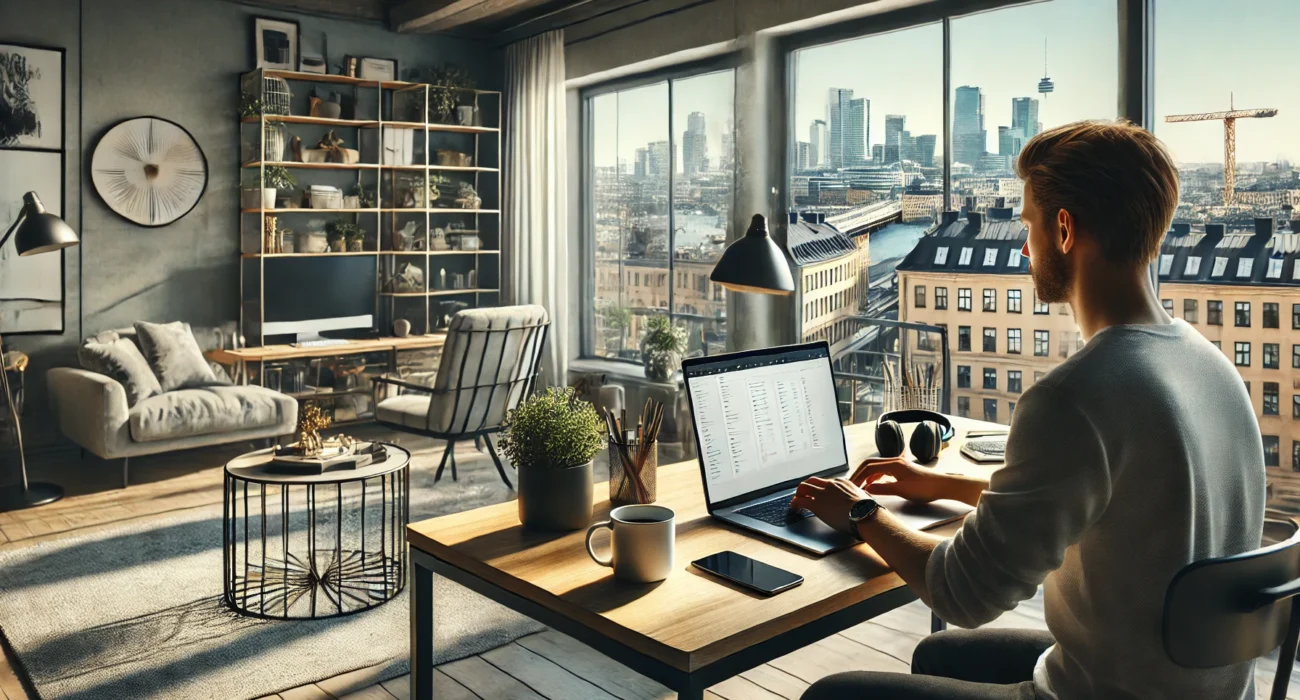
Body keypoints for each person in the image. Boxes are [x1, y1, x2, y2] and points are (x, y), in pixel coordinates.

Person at [794, 120, 1266, 700]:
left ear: (1064, 229)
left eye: (1028, 225)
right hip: (1195, 688)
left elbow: (962, 594)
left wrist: (861, 512)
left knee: (833, 694)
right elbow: (1107, 505)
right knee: (936, 653)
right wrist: (939, 484)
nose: (1024, 246)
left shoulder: (1078, 397)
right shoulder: (1210, 365)